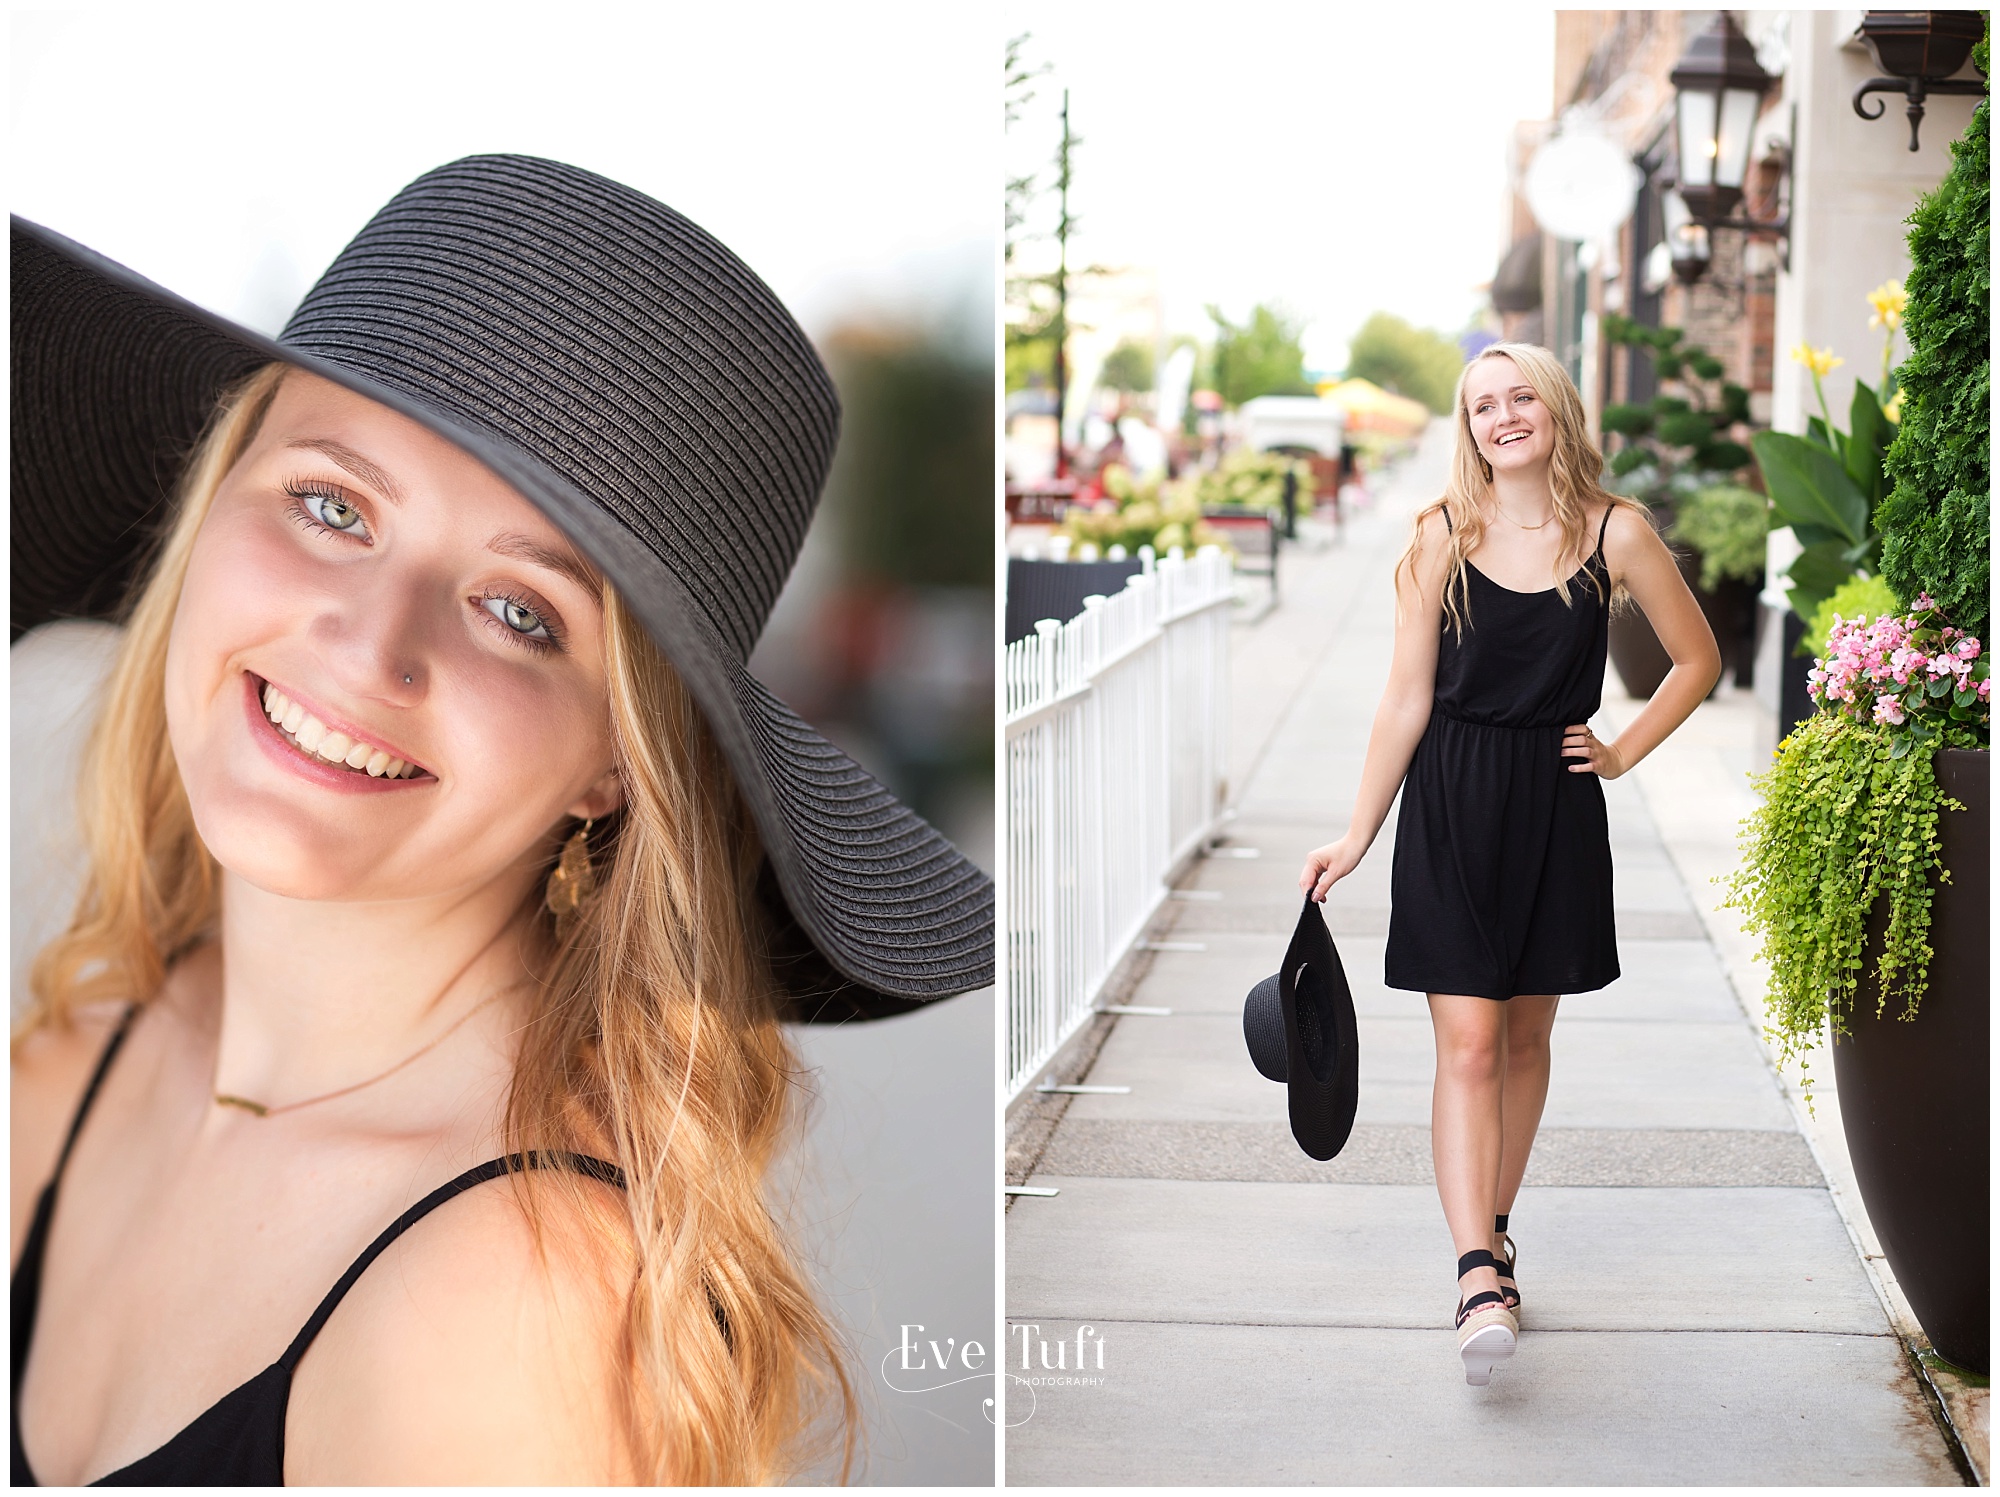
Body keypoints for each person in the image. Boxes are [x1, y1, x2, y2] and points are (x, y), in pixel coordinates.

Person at [10, 156, 993, 1484]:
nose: (370, 650)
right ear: (208, 511)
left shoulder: (506, 1320)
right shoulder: (74, 1057)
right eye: (330, 505)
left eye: (520, 612)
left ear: (618, 765)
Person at [1297, 342, 1719, 1385]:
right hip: (1449, 802)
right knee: (1471, 1046)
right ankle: (1475, 1271)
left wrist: (1619, 752)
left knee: (1524, 1041)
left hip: (1555, 806)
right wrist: (1357, 831)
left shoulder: (1616, 533)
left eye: (1517, 395)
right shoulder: (1439, 535)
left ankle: (1492, 1226)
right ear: (1467, 428)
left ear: (1553, 405)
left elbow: (1697, 659)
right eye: (1480, 405)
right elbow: (1403, 699)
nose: (1500, 416)